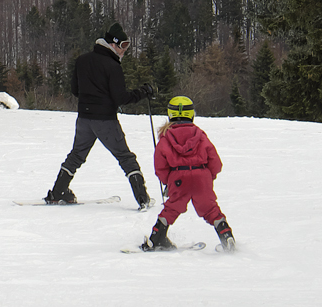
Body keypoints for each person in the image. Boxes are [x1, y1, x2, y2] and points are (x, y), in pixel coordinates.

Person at [44, 23, 155, 209]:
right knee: (125, 157)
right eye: (123, 45)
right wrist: (143, 92)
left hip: (84, 119)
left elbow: (75, 90)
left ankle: (57, 192)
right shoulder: (113, 66)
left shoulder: (82, 60)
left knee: (76, 155)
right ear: (113, 44)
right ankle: (142, 199)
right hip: (105, 120)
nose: (124, 51)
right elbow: (121, 98)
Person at [140, 95, 237, 252]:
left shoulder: (165, 138)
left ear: (170, 114)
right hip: (202, 175)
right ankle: (226, 235)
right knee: (210, 209)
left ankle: (157, 238)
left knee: (171, 208)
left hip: (178, 177)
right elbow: (215, 161)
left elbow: (160, 166)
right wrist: (208, 177)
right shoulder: (200, 135)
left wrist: (168, 182)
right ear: (192, 114)